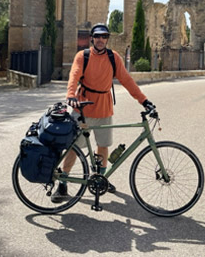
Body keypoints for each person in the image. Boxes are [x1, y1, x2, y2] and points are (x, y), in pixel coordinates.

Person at [51, 23, 155, 203]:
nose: (100, 39)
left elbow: (128, 81)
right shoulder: (83, 56)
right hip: (82, 107)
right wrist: (70, 94)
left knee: (103, 145)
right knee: (74, 148)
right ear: (92, 38)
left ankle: (101, 179)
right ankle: (63, 183)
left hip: (104, 107)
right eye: (97, 36)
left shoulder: (113, 58)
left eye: (104, 36)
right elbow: (74, 75)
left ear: (107, 39)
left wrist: (144, 101)